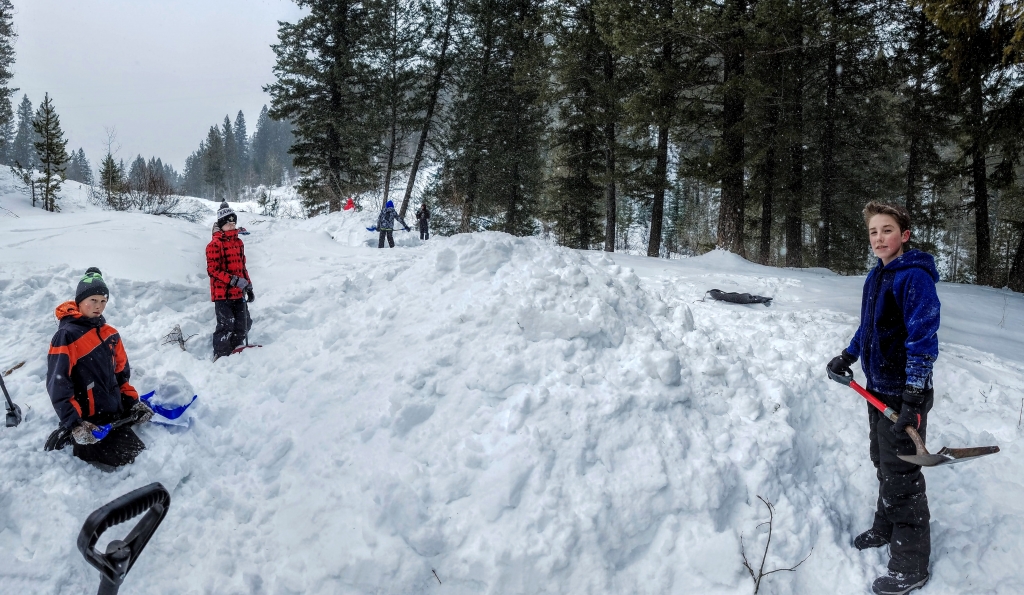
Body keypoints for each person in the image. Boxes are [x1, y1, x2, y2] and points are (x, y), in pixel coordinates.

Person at [827, 201, 940, 595]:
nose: (879, 238)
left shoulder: (914, 279)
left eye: (887, 230)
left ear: (904, 235)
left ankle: (911, 565)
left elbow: (923, 342)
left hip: (903, 393)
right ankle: (886, 526)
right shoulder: (876, 277)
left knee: (902, 474)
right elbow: (868, 327)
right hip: (877, 390)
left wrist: (912, 396)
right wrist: (849, 355)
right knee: (884, 461)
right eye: (873, 232)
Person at [45, 268, 153, 468]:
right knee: (133, 463)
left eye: (103, 301)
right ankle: (71, 436)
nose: (99, 306)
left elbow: (121, 374)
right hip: (88, 421)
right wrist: (76, 424)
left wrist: (132, 403)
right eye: (93, 300)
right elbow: (58, 384)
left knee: (141, 456)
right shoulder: (67, 336)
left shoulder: (110, 334)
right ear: (79, 301)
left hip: (112, 414)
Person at [207, 202, 255, 360]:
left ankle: (233, 348)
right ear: (221, 225)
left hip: (238, 293)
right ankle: (220, 354)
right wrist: (234, 281)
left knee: (244, 324)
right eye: (228, 223)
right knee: (226, 326)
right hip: (223, 295)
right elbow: (212, 270)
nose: (232, 226)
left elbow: (242, 266)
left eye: (234, 223)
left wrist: (248, 285)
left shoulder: (239, 243)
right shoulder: (214, 245)